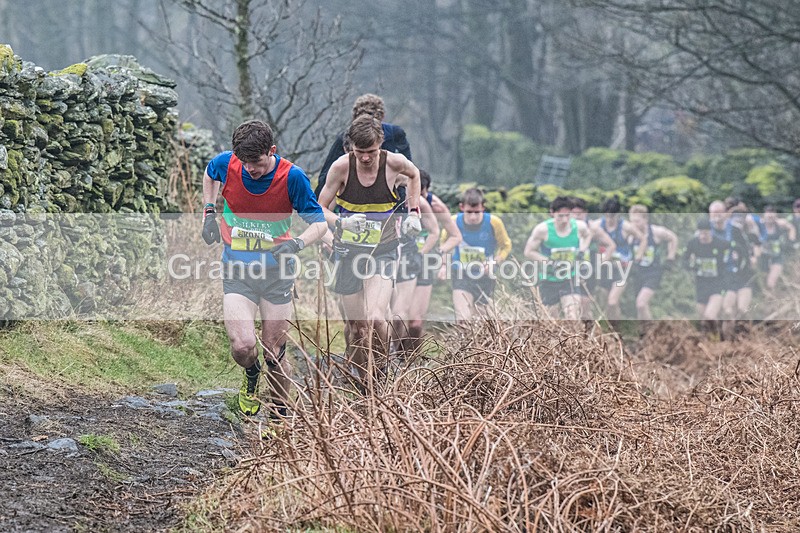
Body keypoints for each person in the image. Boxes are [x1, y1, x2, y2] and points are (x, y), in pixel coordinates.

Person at [201, 120, 327, 427]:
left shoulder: (292, 177)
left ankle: (279, 416)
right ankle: (250, 373)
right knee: (243, 346)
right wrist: (208, 212)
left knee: (275, 352)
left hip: (277, 276)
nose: (251, 170)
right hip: (237, 271)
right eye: (245, 163)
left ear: (271, 151)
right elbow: (209, 172)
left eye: (256, 163)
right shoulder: (227, 163)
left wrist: (297, 244)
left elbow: (320, 224)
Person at [316, 115, 422, 391]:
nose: (365, 158)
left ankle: (382, 371)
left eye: (371, 152)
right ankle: (365, 380)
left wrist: (413, 212)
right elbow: (318, 209)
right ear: (351, 148)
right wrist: (341, 222)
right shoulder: (341, 167)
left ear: (381, 145)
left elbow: (415, 175)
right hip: (349, 254)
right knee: (357, 327)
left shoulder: (394, 163)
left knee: (376, 318)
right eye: (360, 152)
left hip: (383, 251)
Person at [404, 170, 462, 351]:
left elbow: (455, 236)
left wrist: (437, 252)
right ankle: (392, 358)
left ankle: (409, 361)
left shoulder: (435, 206)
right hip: (399, 261)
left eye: (420, 193)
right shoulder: (397, 201)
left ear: (426, 190)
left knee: (415, 322)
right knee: (397, 317)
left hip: (424, 263)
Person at [315, 93, 411, 198]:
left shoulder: (395, 134)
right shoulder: (346, 137)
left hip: (391, 195)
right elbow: (326, 177)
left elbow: (408, 170)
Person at [388, 173, 439, 357]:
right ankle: (389, 354)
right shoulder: (376, 197)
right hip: (382, 256)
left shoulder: (417, 201)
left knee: (402, 315)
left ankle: (402, 357)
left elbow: (435, 232)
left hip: (409, 258)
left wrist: (421, 253)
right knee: (382, 313)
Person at [525, 196, 592, 320]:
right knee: (552, 321)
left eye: (568, 215)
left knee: (572, 315)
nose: (565, 220)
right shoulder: (542, 230)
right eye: (560, 216)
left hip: (569, 277)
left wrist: (582, 250)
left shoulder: (579, 227)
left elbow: (588, 235)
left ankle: (576, 338)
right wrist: (549, 262)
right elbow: (528, 252)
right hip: (549, 279)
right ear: (552, 213)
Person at [449, 188, 512, 321]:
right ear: (461, 207)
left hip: (485, 275)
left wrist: (494, 262)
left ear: (483, 207)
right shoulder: (453, 222)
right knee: (463, 320)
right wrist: (443, 264)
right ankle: (463, 340)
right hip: (461, 273)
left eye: (477, 212)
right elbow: (444, 244)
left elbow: (506, 246)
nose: (473, 217)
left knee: (481, 321)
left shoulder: (494, 222)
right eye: (469, 212)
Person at [590, 197, 645, 321]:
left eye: (613, 216)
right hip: (605, 268)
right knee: (606, 303)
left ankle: (616, 332)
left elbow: (643, 239)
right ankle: (612, 329)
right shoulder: (598, 225)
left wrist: (639, 255)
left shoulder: (626, 227)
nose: (609, 220)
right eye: (607, 216)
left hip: (622, 268)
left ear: (618, 215)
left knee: (612, 301)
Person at [628, 205, 678, 320]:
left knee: (641, 303)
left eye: (637, 221)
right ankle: (643, 333)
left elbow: (673, 238)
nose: (634, 225)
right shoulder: (630, 234)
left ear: (645, 219)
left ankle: (649, 331)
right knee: (639, 306)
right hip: (637, 272)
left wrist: (670, 257)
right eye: (632, 221)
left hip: (653, 272)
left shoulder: (655, 232)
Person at [569, 197, 616, 320]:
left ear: (585, 213)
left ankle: (588, 335)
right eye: (573, 213)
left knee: (585, 306)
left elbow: (611, 245)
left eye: (579, 214)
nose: (576, 217)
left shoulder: (593, 228)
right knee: (571, 306)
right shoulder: (566, 227)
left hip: (588, 272)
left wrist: (602, 262)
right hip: (569, 271)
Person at [684, 217, 730, 330]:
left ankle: (718, 338)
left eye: (705, 233)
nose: (703, 236)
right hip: (701, 283)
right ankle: (710, 340)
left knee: (710, 316)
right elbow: (684, 259)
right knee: (703, 320)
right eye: (701, 233)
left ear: (711, 232)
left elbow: (736, 249)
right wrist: (691, 266)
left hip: (717, 283)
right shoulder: (693, 243)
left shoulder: (720, 243)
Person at [759, 205, 796, 291]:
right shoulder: (759, 225)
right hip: (763, 257)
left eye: (772, 213)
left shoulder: (780, 224)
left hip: (777, 256)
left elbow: (791, 228)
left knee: (771, 282)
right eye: (768, 213)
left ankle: (773, 299)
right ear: (764, 215)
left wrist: (791, 240)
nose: (770, 216)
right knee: (763, 282)